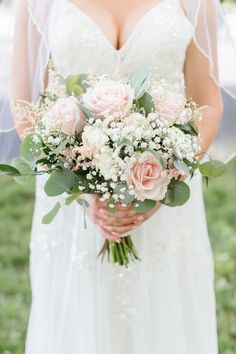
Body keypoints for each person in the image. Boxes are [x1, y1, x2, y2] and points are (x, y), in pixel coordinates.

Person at [10, 0, 224, 353]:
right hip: (73, 206)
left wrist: (161, 184)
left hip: (166, 199)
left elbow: (207, 101)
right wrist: (81, 189)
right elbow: (24, 104)